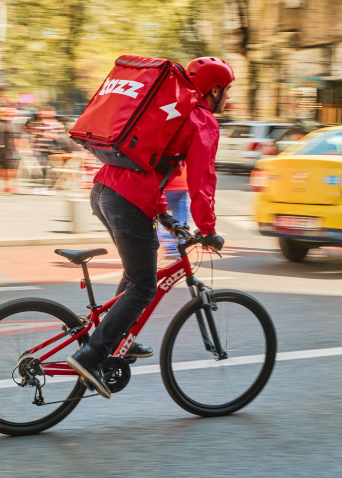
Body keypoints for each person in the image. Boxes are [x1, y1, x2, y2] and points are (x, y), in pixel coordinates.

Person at [66, 56, 234, 398]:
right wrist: (208, 228)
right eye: (226, 91)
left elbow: (150, 163)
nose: (227, 98)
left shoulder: (170, 106)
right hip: (125, 202)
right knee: (144, 287)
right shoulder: (201, 118)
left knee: (138, 269)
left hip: (103, 191)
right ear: (213, 90)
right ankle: (92, 354)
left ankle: (116, 340)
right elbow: (202, 181)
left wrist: (165, 215)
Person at [30, 106, 66, 195]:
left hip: (54, 151)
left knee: (54, 169)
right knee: (43, 169)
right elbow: (35, 137)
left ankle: (52, 187)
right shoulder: (38, 124)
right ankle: (45, 186)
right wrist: (34, 149)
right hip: (41, 150)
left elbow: (62, 137)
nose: (40, 114)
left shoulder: (58, 124)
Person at [0, 108, 19, 194]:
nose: (12, 114)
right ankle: (5, 186)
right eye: (10, 112)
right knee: (6, 168)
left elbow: (13, 137)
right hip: (5, 149)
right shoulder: (1, 124)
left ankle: (9, 186)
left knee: (12, 168)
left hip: (11, 148)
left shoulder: (10, 123)